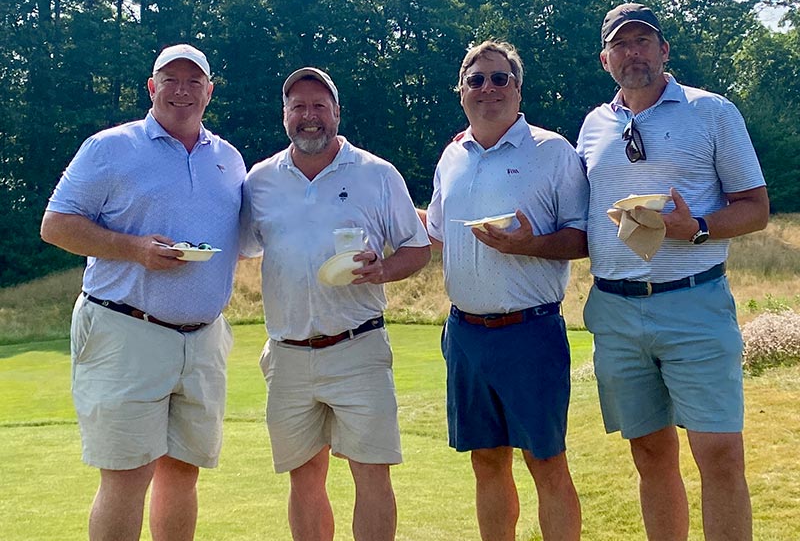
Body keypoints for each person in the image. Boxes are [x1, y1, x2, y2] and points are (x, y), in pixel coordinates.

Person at [576, 3, 769, 540]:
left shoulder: (712, 112)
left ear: (665, 51)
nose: (633, 52)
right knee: (650, 454)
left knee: (720, 453)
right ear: (605, 59)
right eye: (621, 44)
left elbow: (755, 206)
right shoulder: (594, 125)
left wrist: (698, 227)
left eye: (644, 41)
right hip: (615, 308)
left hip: (694, 302)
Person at [40, 44, 246, 541]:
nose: (182, 89)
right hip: (125, 329)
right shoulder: (110, 147)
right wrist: (134, 248)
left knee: (183, 472)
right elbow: (56, 225)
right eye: (170, 79)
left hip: (203, 339)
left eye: (194, 81)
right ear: (151, 87)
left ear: (209, 91)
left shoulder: (229, 158)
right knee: (127, 475)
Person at [239, 67, 431, 541]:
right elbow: (241, 247)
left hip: (357, 348)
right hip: (287, 354)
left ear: (337, 113)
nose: (309, 116)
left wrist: (384, 269)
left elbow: (418, 246)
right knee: (304, 481)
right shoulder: (259, 181)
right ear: (284, 115)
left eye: (319, 106)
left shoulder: (376, 173)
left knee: (371, 475)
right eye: (298, 106)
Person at [421, 40, 588, 541]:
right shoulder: (452, 156)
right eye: (476, 80)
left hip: (530, 330)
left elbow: (583, 238)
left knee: (547, 463)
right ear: (461, 92)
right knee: (487, 463)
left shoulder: (552, 150)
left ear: (517, 87)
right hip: (466, 333)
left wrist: (530, 244)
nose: (487, 88)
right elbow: (433, 231)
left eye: (499, 78)